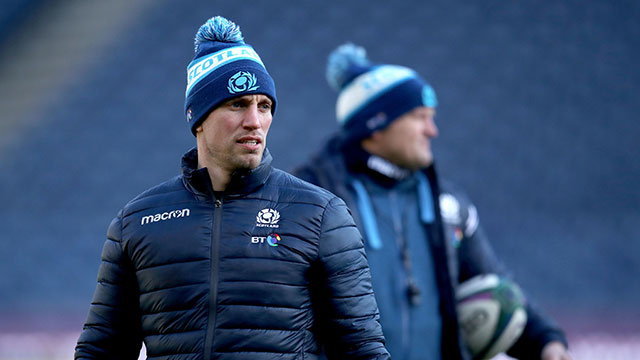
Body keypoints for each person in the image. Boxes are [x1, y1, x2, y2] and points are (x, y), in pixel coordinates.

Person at [74, 18, 390, 360]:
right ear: (198, 118)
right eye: (237, 104)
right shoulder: (137, 221)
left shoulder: (321, 214)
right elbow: (100, 351)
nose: (254, 120)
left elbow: (363, 350)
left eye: (264, 106)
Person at [292, 43, 572, 360]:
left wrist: (546, 342)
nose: (432, 130)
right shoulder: (312, 200)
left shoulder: (448, 204)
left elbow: (490, 282)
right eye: (419, 117)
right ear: (376, 124)